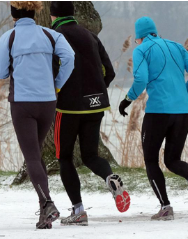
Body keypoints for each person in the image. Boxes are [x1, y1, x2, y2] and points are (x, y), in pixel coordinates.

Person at [0, 1, 75, 229]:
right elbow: (70, 59)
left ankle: (48, 203)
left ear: (14, 14)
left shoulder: (7, 38)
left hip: (22, 103)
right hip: (48, 101)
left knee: (31, 156)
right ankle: (44, 215)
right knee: (36, 155)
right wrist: (56, 84)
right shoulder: (51, 36)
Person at [49, 1, 130, 227]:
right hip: (97, 105)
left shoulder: (55, 36)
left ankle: (78, 211)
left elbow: (53, 69)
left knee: (64, 157)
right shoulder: (90, 35)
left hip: (68, 106)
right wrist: (98, 91)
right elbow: (110, 71)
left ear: (54, 16)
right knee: (90, 155)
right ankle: (109, 177)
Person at [119, 16, 188, 220]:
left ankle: (166, 207)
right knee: (172, 159)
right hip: (182, 111)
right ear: (155, 31)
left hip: (158, 112)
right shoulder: (176, 46)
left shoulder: (141, 50)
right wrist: (184, 92)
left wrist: (127, 99)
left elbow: (141, 79)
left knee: (151, 160)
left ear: (139, 37)